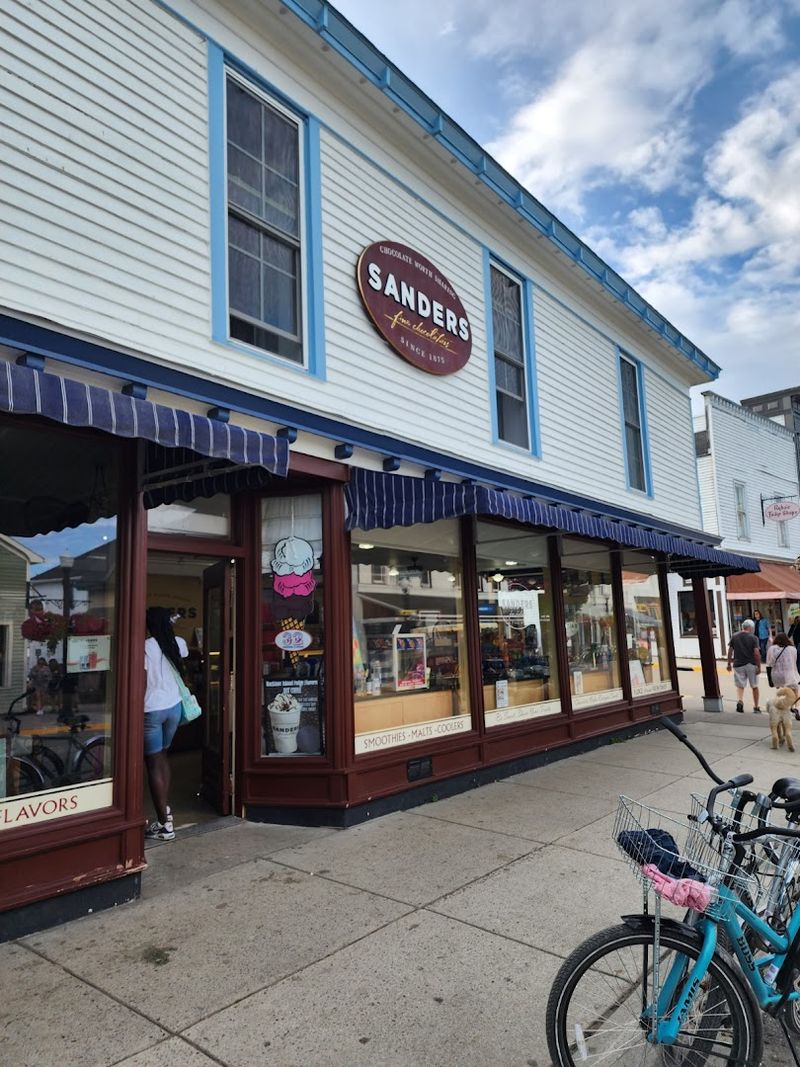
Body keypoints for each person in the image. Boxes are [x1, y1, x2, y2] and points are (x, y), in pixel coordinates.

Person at [143, 606, 188, 842]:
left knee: (153, 764)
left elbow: (141, 682)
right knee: (163, 757)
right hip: (174, 707)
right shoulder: (178, 642)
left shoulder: (145, 647)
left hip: (151, 709)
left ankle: (164, 823)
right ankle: (165, 809)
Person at [727, 618, 762, 713]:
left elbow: (730, 650)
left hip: (738, 664)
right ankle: (756, 706)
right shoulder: (754, 638)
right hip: (751, 664)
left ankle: (740, 701)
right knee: (754, 686)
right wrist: (759, 666)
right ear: (750, 628)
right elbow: (756, 653)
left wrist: (729, 663)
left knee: (740, 685)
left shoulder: (735, 636)